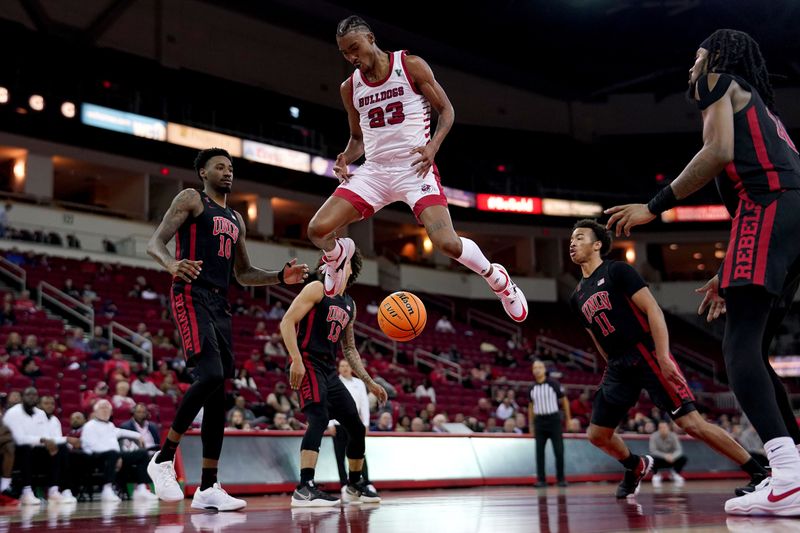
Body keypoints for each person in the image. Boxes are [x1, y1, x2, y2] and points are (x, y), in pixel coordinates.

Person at [604, 30, 800, 515]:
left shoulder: (718, 80)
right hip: (786, 213)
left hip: (771, 206)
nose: (691, 66)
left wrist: (655, 206)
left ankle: (788, 476)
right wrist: (725, 267)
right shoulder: (756, 103)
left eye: (696, 56)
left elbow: (717, 153)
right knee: (754, 348)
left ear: (714, 56)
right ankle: (793, 470)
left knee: (737, 349)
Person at [307, 15, 527, 323]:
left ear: (371, 38)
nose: (351, 57)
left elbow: (447, 111)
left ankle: (499, 281)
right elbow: (358, 138)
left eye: (354, 48)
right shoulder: (349, 87)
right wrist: (345, 156)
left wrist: (433, 146)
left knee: (447, 244)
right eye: (345, 53)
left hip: (415, 168)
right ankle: (337, 255)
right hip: (375, 173)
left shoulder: (410, 66)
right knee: (317, 230)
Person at [145, 147, 309, 511]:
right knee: (210, 373)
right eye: (219, 166)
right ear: (203, 172)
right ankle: (162, 458)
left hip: (220, 303)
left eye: (231, 167)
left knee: (218, 392)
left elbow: (244, 273)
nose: (227, 172)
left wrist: (281, 276)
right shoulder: (191, 199)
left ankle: (208, 487)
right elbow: (154, 243)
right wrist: (172, 264)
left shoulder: (236, 218)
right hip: (191, 293)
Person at [568, 219, 768, 500]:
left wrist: (662, 355)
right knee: (597, 434)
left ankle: (760, 473)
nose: (573, 243)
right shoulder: (576, 296)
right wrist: (612, 365)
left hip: (645, 352)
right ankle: (635, 465)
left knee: (692, 424)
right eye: (571, 240)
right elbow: (596, 339)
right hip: (618, 364)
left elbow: (653, 310)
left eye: (579, 237)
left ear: (597, 244)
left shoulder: (618, 271)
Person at [280, 248, 386, 506]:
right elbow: (286, 322)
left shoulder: (350, 304)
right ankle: (304, 488)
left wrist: (369, 381)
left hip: (329, 370)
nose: (333, 259)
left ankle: (354, 485)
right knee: (318, 417)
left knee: (356, 427)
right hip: (308, 362)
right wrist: (295, 359)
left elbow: (349, 349)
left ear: (350, 266)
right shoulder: (317, 288)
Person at [4, 387, 74, 504]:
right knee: (25, 447)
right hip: (14, 453)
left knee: (60, 447)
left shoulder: (40, 413)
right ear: (22, 398)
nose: (32, 397)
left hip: (36, 451)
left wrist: (63, 440)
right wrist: (42, 440)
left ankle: (54, 490)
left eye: (34, 395)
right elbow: (20, 439)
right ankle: (26, 492)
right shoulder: (13, 413)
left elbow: (46, 436)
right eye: (28, 394)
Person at [81, 400, 158, 502]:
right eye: (102, 408)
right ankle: (106, 489)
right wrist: (116, 455)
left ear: (111, 412)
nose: (105, 411)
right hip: (96, 458)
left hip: (115, 456)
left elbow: (121, 432)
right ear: (95, 412)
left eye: (107, 408)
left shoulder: (110, 425)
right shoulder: (89, 426)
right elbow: (92, 446)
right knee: (112, 454)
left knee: (142, 453)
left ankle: (141, 489)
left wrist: (138, 436)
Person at [528, 360, 570, 487]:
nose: (537, 369)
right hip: (539, 422)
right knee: (539, 452)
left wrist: (568, 419)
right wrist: (531, 424)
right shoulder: (531, 387)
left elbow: (564, 400)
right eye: (535, 367)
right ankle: (541, 479)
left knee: (559, 451)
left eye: (540, 367)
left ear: (545, 369)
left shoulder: (553, 383)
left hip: (554, 421)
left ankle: (561, 479)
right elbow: (531, 406)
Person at [649, 421, 687, 487]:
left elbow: (679, 450)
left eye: (664, 427)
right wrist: (665, 456)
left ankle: (675, 473)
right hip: (660, 459)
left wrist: (673, 456)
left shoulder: (673, 435)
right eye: (661, 427)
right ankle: (656, 474)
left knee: (683, 458)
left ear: (668, 428)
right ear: (658, 428)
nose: (663, 429)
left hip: (672, 459)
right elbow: (653, 451)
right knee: (651, 459)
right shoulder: (653, 436)